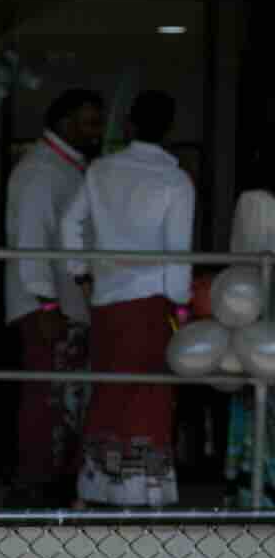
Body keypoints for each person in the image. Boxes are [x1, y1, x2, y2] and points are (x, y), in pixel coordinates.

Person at [59, 89, 194, 507]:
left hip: (107, 299)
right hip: (153, 301)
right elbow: (178, 250)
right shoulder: (175, 180)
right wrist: (181, 305)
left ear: (131, 124)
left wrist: (81, 273)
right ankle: (145, 490)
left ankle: (98, 487)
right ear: (169, 128)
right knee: (149, 396)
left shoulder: (101, 170)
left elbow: (69, 224)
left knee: (108, 392)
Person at [3, 88, 104, 508]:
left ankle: (55, 479)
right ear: (64, 123)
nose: (97, 132)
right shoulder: (40, 171)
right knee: (47, 398)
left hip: (64, 304)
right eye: (89, 122)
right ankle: (35, 483)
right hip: (47, 305)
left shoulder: (67, 168)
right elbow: (31, 242)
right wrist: (46, 304)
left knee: (65, 397)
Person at [226, 148, 275, 505]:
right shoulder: (257, 201)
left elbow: (241, 258)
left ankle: (252, 488)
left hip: (252, 311)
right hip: (260, 308)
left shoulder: (251, 200)